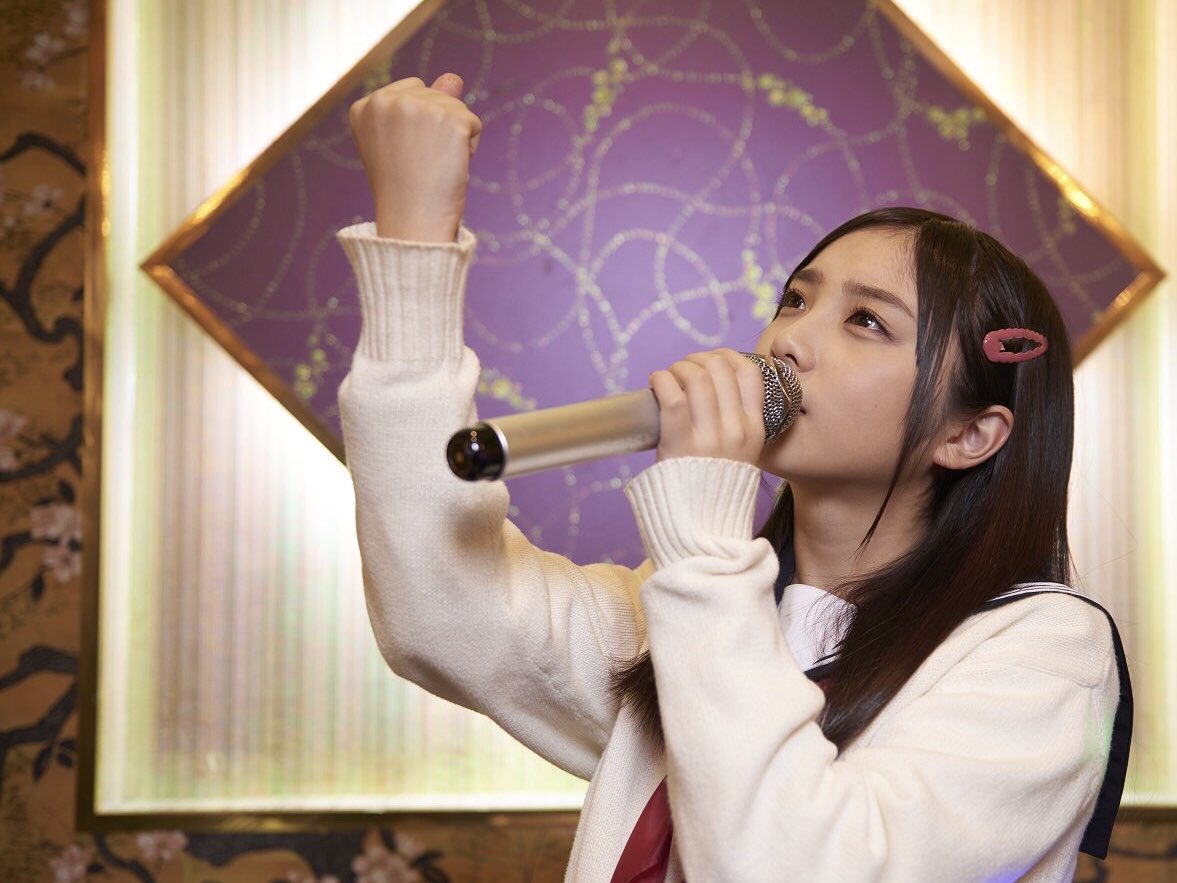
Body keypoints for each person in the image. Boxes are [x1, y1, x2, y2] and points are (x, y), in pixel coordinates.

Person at [336, 71, 1132, 883]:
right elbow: (436, 606)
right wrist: (415, 240)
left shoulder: (1043, 652)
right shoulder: (681, 614)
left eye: (866, 320)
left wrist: (703, 534)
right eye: (796, 300)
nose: (786, 341)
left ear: (968, 434)